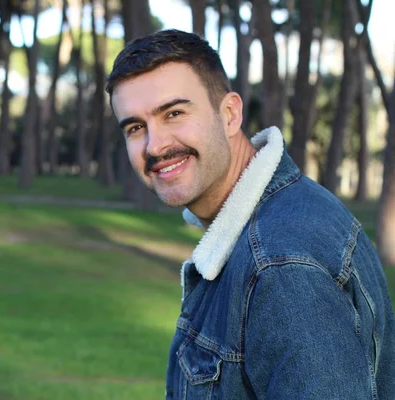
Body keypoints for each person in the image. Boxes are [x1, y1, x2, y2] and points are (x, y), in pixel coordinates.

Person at [106, 29, 395, 399]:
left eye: (174, 113)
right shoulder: (278, 218)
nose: (155, 144)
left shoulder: (281, 264)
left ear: (229, 114)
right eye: (135, 127)